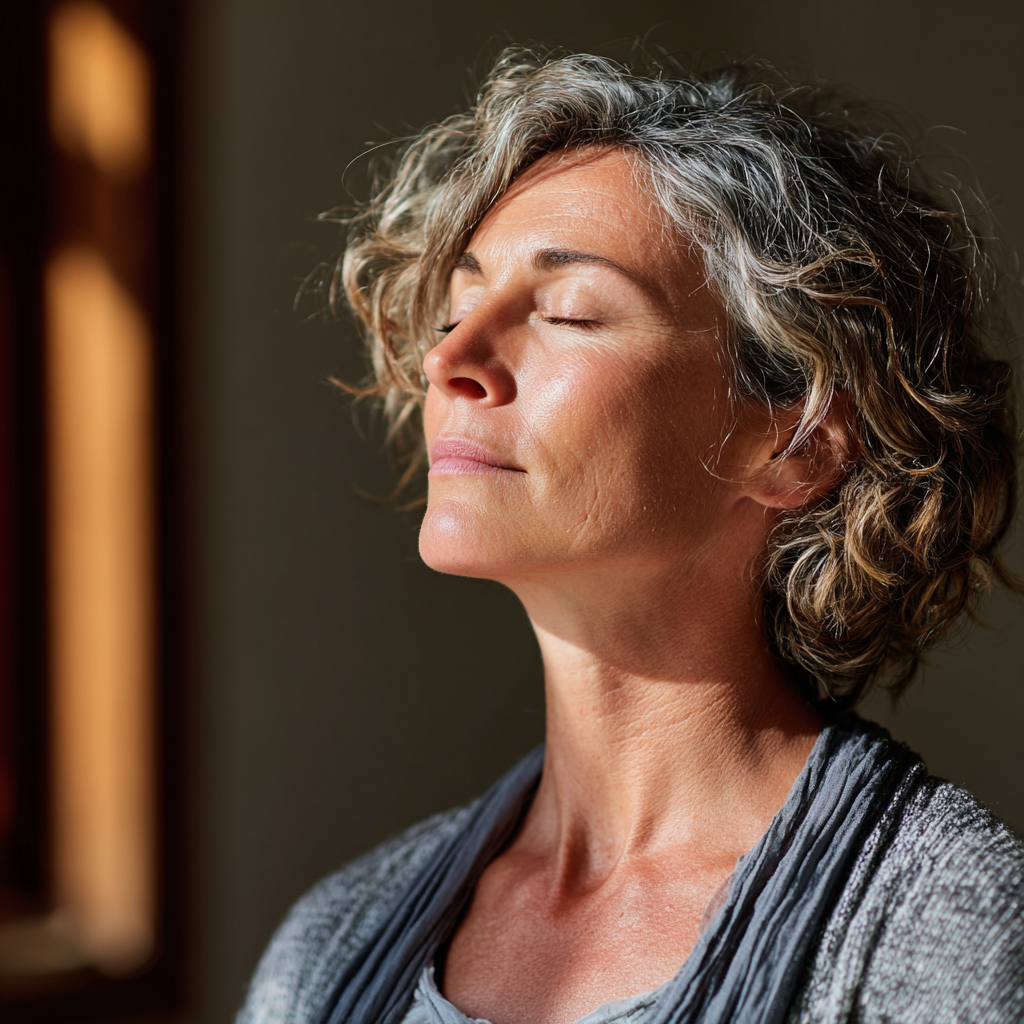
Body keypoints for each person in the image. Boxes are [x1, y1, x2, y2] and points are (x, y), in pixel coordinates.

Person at [238, 51, 1022, 1024]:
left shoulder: (938, 929)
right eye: (455, 305)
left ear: (798, 443)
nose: (449, 359)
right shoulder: (335, 940)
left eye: (567, 312)